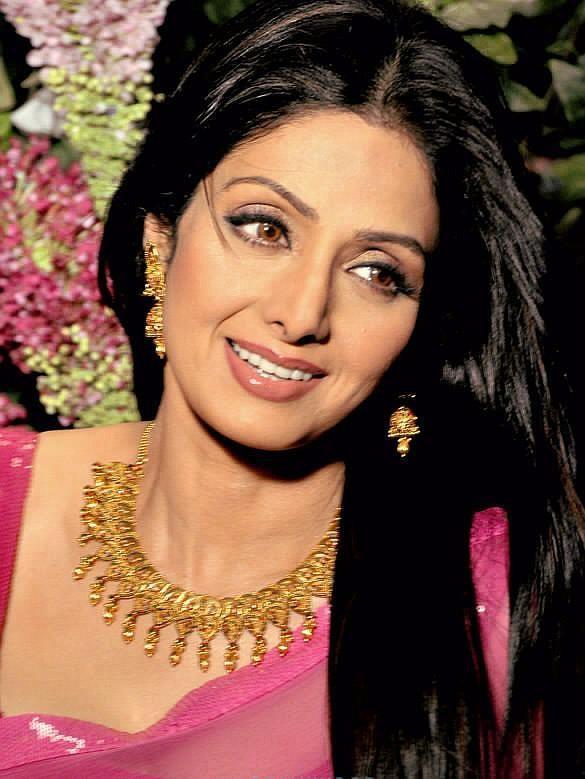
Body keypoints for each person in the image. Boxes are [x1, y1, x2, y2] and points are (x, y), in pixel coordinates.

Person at [0, 0, 582, 776]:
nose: (302, 313)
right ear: (159, 239)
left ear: (424, 326)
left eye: (376, 272)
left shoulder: (493, 610)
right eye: (264, 227)